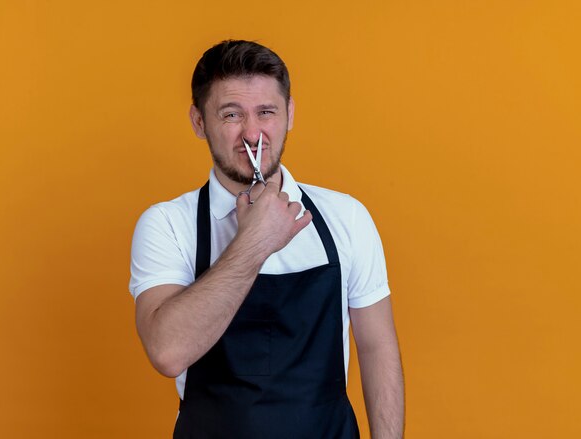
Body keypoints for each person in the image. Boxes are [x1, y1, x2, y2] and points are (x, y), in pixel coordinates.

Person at [129, 40, 404, 438]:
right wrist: (255, 240)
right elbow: (167, 352)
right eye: (231, 114)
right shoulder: (168, 224)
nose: (252, 133)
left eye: (266, 112)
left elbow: (379, 348)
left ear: (289, 114)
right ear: (198, 121)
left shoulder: (346, 217)